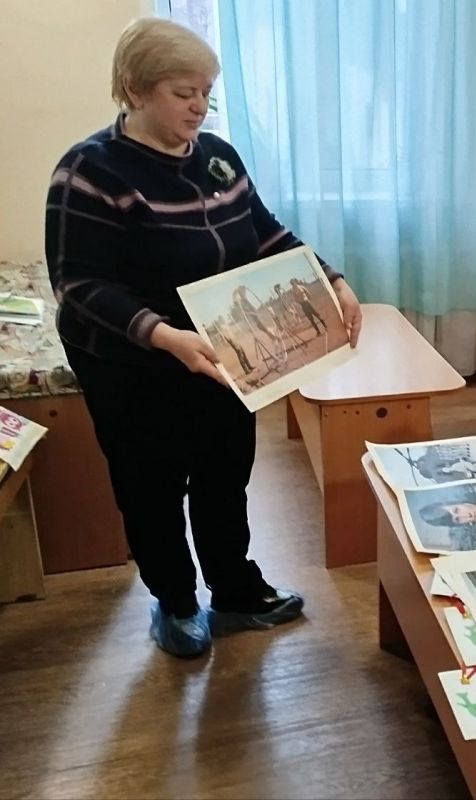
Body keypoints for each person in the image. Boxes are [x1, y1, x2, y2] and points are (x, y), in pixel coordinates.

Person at [45, 18, 363, 659]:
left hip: (220, 350)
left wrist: (330, 277)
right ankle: (175, 602)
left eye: (207, 92)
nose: (199, 106)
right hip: (132, 361)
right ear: (135, 88)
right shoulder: (90, 170)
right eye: (183, 92)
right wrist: (164, 336)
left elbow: (264, 231)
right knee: (151, 485)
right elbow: (77, 283)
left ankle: (235, 591)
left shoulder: (218, 155)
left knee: (224, 471)